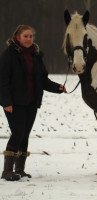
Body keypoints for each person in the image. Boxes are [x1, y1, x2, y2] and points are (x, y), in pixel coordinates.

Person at [0, 25, 67, 181]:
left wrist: (58, 88)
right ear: (18, 37)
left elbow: (42, 80)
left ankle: (20, 169)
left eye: (31, 36)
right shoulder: (8, 55)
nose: (29, 39)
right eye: (26, 36)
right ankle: (7, 170)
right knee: (18, 133)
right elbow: (2, 81)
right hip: (14, 103)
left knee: (25, 135)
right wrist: (6, 102)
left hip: (31, 102)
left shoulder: (36, 55)